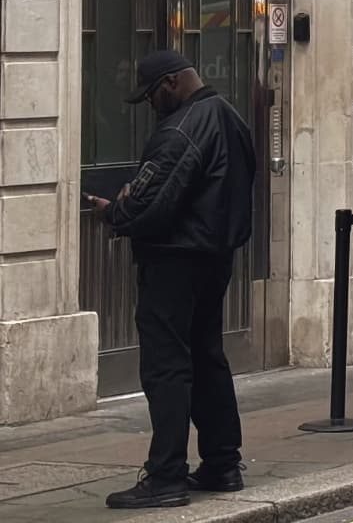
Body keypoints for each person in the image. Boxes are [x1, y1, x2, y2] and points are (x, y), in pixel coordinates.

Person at [89, 52, 257, 509]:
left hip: (174, 261)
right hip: (216, 257)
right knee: (207, 357)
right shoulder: (231, 117)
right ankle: (223, 463)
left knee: (167, 367)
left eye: (151, 96)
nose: (151, 106)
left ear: (169, 84)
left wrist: (115, 211)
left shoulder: (181, 129)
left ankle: (166, 476)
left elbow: (150, 202)